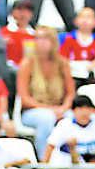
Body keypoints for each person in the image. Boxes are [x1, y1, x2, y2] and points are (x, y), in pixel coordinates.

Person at [17, 25, 76, 153]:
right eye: (37, 38)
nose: (40, 42)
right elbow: (25, 98)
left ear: (53, 41)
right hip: (33, 111)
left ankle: (72, 158)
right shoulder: (27, 63)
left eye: (44, 38)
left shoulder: (63, 63)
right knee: (46, 118)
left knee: (72, 117)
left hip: (59, 108)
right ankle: (45, 162)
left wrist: (63, 108)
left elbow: (70, 94)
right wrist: (51, 109)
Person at [43, 93, 95, 164]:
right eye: (80, 109)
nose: (84, 112)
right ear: (73, 111)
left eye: (87, 108)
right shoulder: (64, 124)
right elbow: (50, 147)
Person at [60, 7, 95, 78]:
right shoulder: (69, 38)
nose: (85, 20)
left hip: (89, 69)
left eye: (89, 17)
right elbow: (62, 57)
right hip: (73, 69)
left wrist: (90, 66)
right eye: (81, 17)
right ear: (75, 21)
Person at [1, 0, 37, 68]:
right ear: (12, 12)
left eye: (27, 11)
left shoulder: (35, 35)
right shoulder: (3, 32)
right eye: (20, 10)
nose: (23, 14)